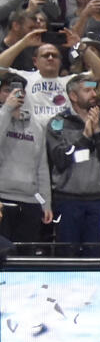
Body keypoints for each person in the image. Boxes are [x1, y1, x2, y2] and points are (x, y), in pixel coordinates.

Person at [45, 72, 100, 254]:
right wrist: (85, 137)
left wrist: (98, 133)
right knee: (67, 255)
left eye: (95, 90)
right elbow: (60, 159)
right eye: (87, 90)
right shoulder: (57, 123)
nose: (94, 94)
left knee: (96, 255)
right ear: (73, 96)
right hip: (67, 199)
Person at [1, 38, 100, 128]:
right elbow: (1, 68)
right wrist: (24, 42)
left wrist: (80, 45)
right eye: (46, 55)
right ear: (35, 61)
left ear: (60, 61)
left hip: (63, 136)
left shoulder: (71, 81)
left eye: (54, 56)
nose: (50, 58)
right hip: (31, 134)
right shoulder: (25, 77)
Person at [0, 72, 52, 243]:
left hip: (30, 202)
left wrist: (45, 203)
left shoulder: (36, 126)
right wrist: (7, 109)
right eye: (7, 90)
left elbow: (42, 167)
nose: (14, 95)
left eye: (18, 91)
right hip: (2, 200)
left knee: (24, 259)